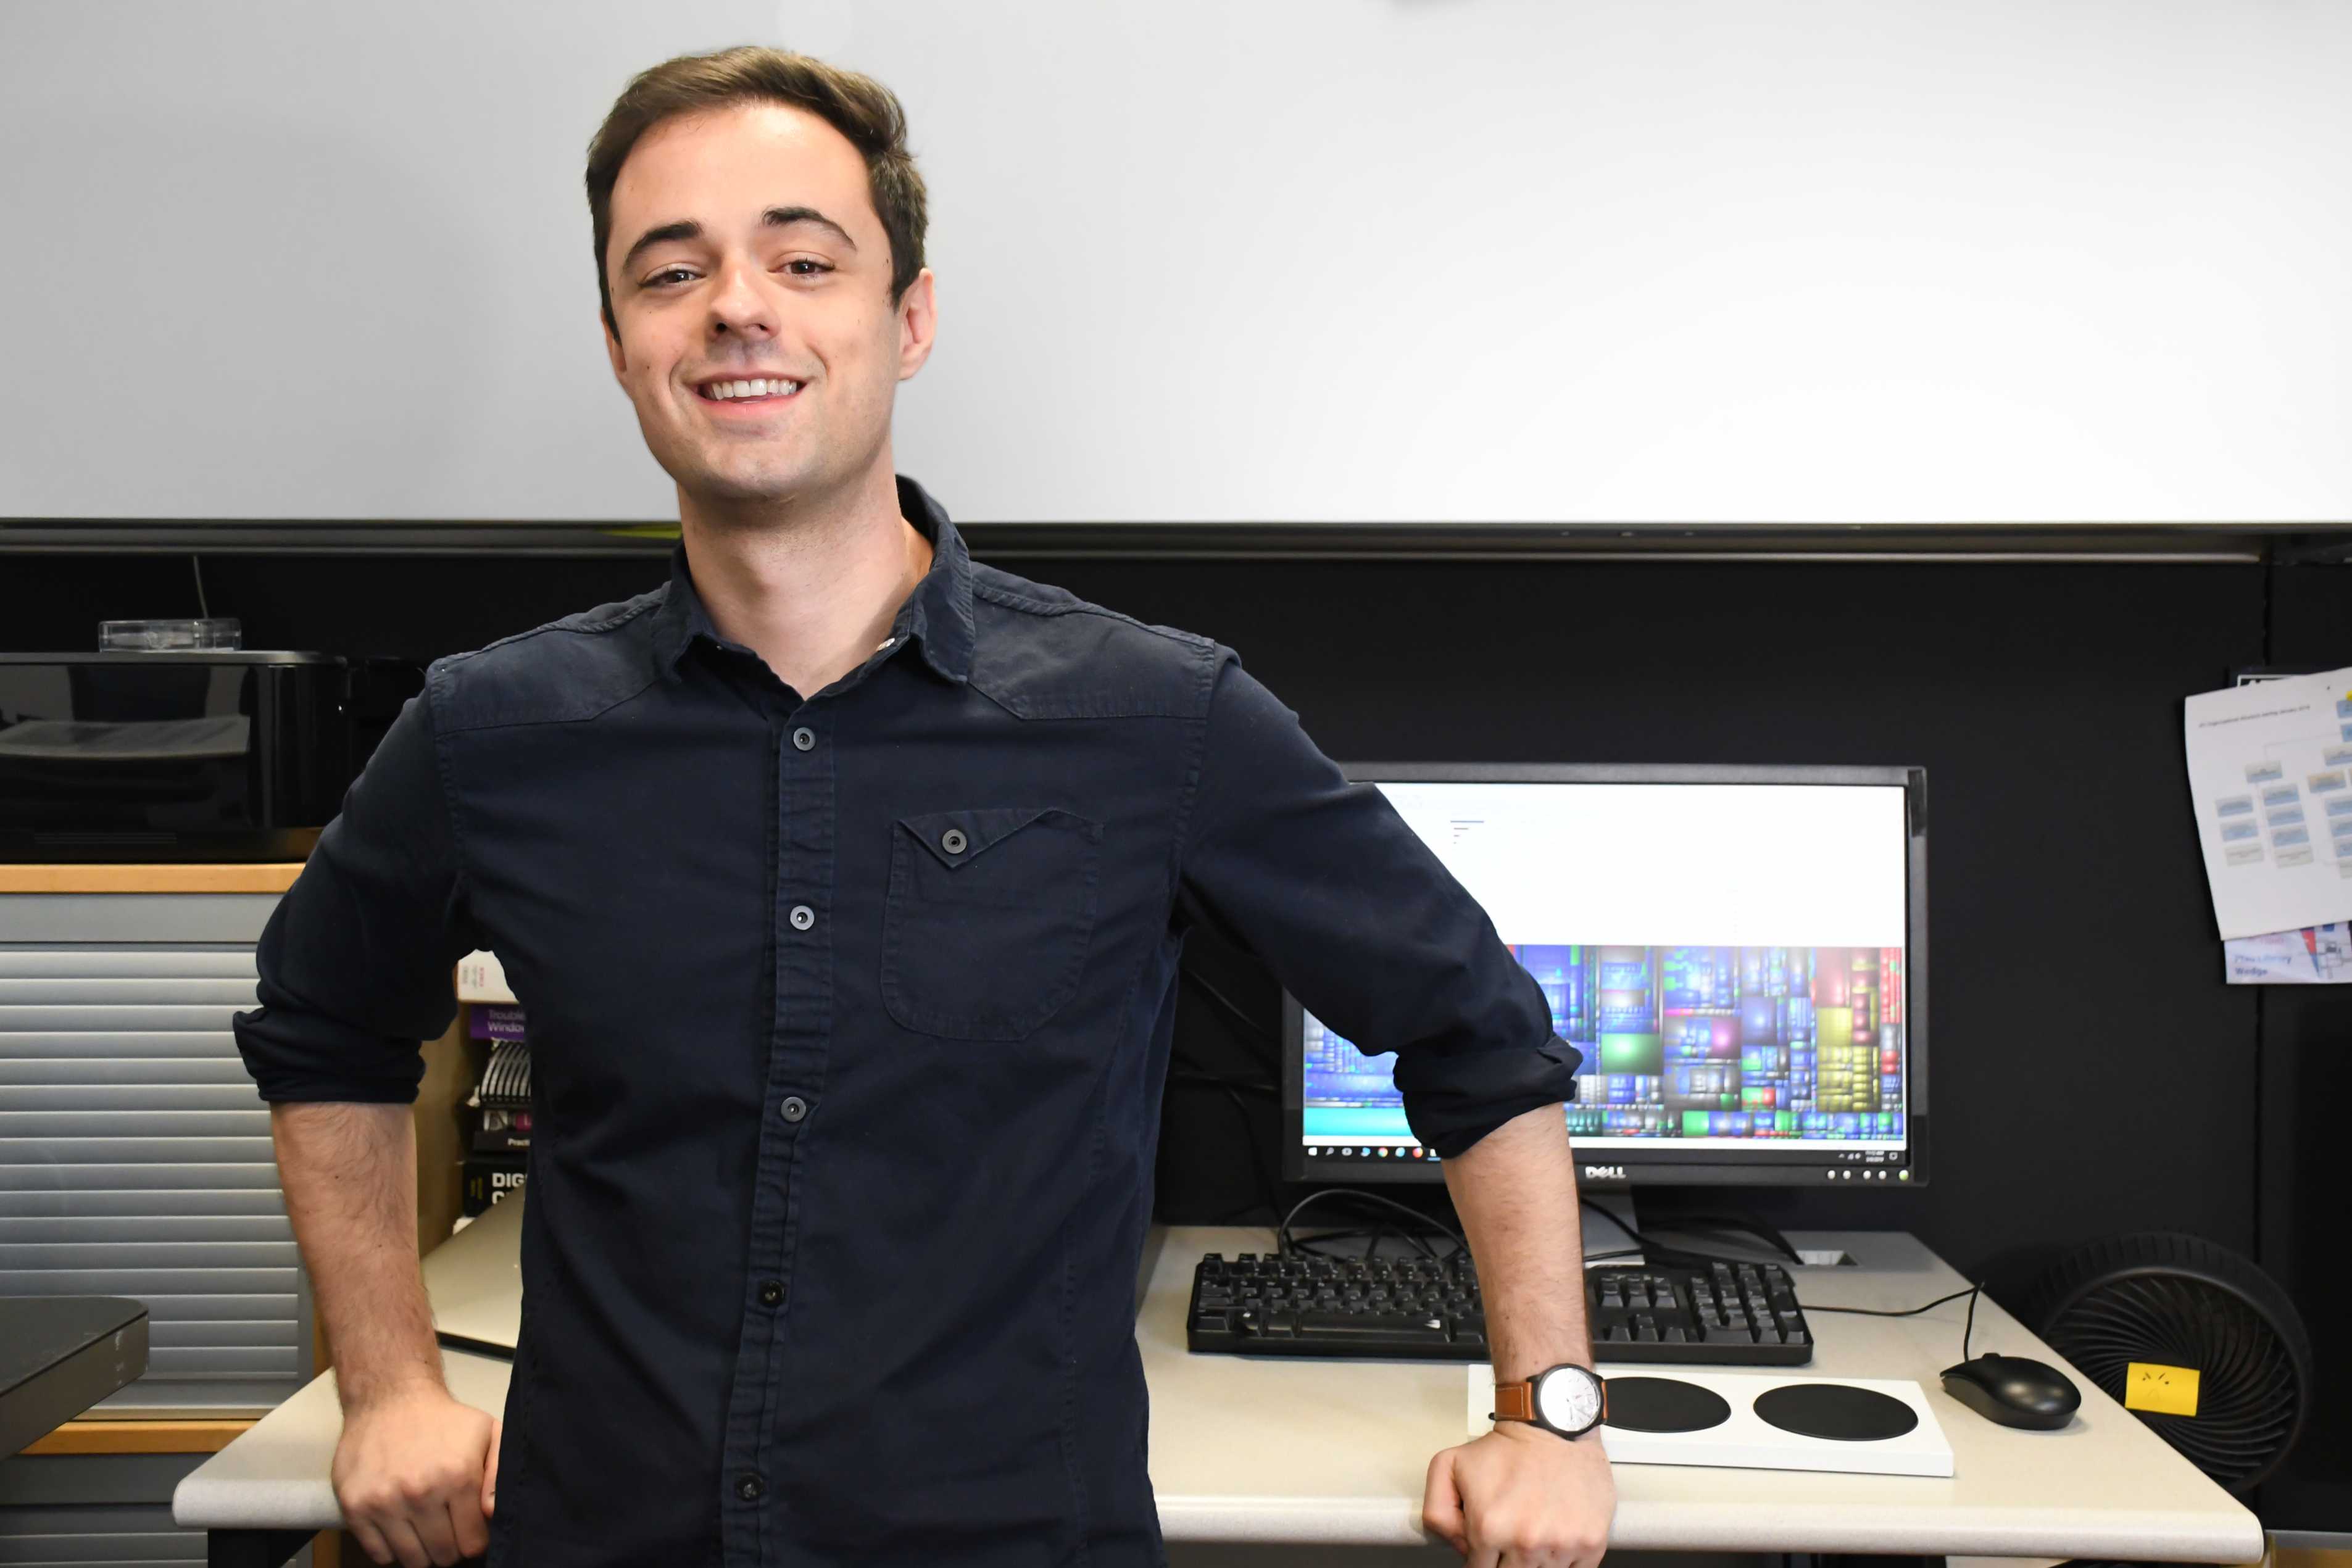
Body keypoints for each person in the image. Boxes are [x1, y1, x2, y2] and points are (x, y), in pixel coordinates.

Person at [233, 45, 1612, 1568]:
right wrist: (385, 1381)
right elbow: (323, 1031)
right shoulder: (496, 729)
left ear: (909, 319)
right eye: (670, 270)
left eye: (802, 258)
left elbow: (1475, 1033)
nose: (738, 305)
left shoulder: (1152, 714)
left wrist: (1545, 1415)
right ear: (623, 344)